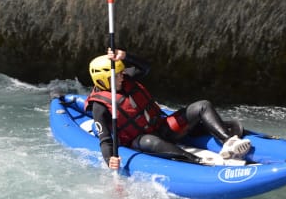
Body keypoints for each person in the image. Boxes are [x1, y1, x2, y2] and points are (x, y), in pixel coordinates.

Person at [85, 48, 251, 169]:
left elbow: (146, 67)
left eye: (121, 72)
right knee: (150, 140)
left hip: (162, 127)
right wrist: (109, 160)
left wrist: (126, 56)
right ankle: (195, 161)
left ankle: (228, 142)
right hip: (139, 141)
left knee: (202, 105)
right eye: (117, 74)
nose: (122, 76)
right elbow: (106, 140)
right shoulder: (99, 106)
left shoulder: (127, 78)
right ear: (104, 80)